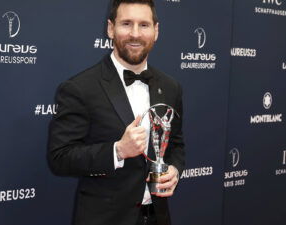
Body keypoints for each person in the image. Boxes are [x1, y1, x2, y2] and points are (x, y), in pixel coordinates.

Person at [47, 0, 185, 224]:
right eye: (126, 24)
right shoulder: (80, 88)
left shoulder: (171, 87)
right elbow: (60, 158)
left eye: (144, 25)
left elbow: (176, 144)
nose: (135, 34)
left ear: (156, 31)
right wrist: (118, 151)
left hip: (158, 217)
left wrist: (175, 170)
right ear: (110, 28)